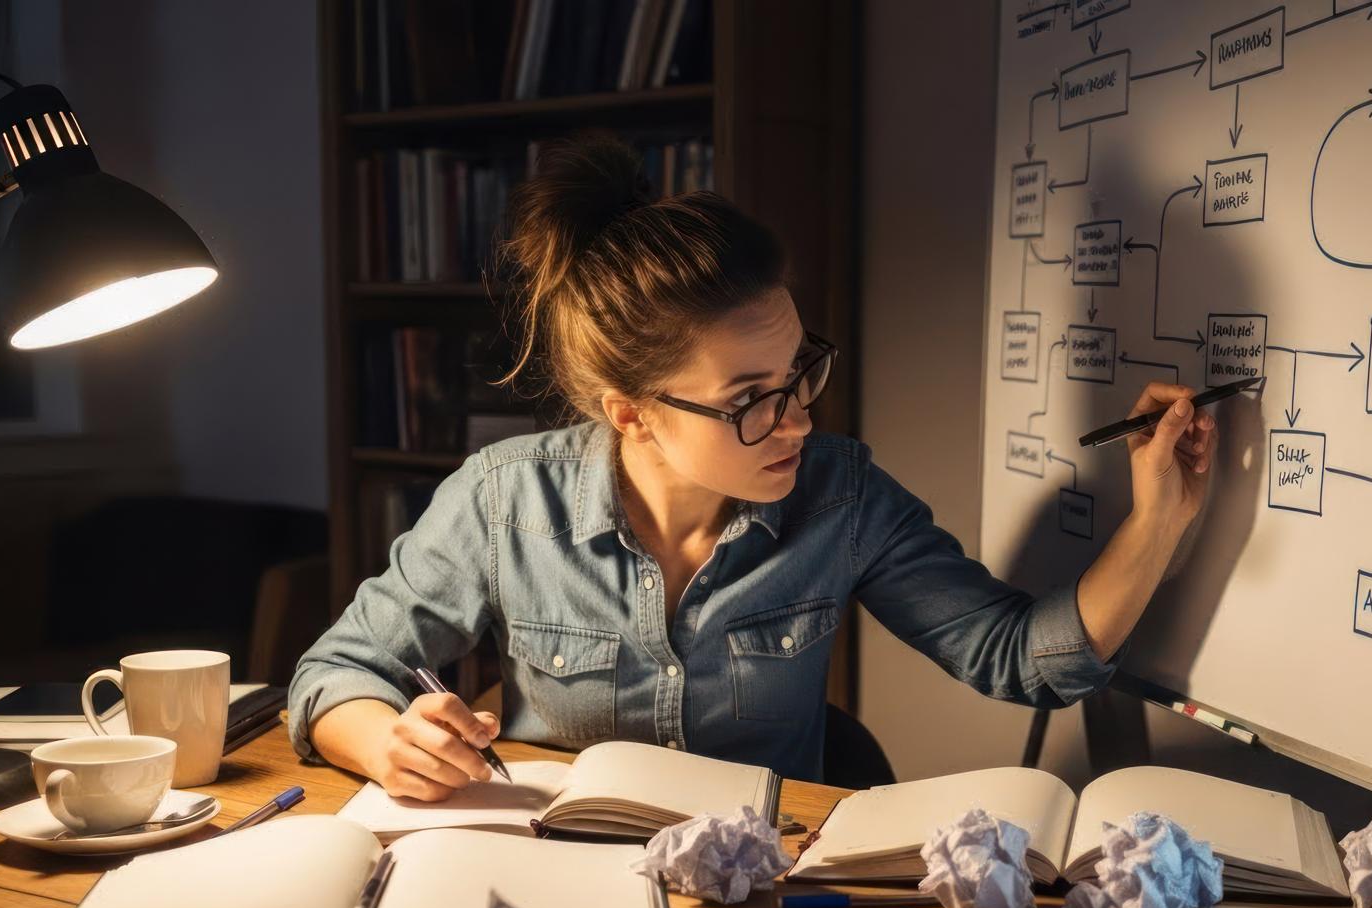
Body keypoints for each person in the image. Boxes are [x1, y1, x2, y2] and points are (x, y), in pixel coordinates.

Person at [288, 133, 1220, 799]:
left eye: (799, 373)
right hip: (557, 881)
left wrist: (1158, 519)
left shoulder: (841, 495)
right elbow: (337, 673)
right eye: (749, 400)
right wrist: (388, 743)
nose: (799, 419)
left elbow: (1027, 663)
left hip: (759, 889)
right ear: (633, 415)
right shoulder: (504, 499)